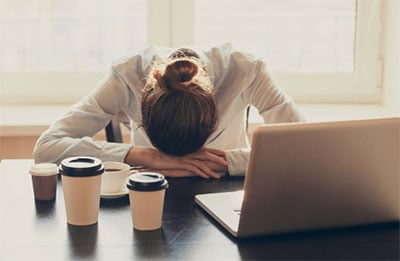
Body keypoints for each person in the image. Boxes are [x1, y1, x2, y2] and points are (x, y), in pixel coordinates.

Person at [33, 43, 305, 178]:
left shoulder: (246, 69)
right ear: (144, 104)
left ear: (214, 106)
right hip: (150, 185)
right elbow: (47, 148)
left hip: (226, 188)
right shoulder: (127, 74)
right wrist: (144, 155)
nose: (186, 161)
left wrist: (226, 161)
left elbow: (305, 147)